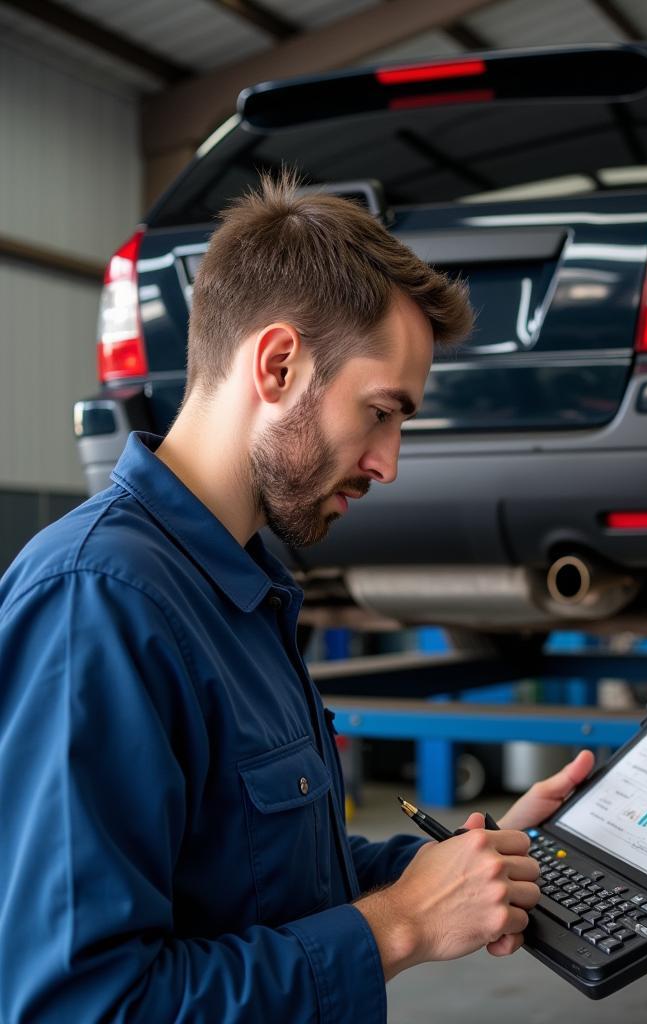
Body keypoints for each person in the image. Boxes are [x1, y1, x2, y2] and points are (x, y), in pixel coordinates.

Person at [0, 173, 595, 1023]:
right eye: (381, 412)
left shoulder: (241, 594)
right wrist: (400, 925)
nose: (389, 462)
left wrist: (465, 865)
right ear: (278, 364)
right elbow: (81, 1004)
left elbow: (263, 876)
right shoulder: (98, 604)